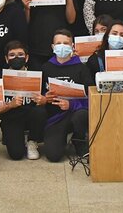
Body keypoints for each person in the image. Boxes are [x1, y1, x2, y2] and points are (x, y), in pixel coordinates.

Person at [39, 29, 94, 162]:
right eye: (58, 43)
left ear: (72, 46)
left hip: (76, 113)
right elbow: (39, 93)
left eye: (66, 43)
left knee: (81, 115)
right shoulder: (46, 68)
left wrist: (71, 104)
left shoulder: (82, 68)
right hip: (55, 118)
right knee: (53, 155)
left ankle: (79, 139)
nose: (62, 46)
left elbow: (92, 97)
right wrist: (44, 98)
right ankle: (62, 137)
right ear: (53, 47)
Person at [0, 40, 48, 160]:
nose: (16, 58)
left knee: (40, 112)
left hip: (31, 115)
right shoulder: (0, 77)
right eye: (12, 55)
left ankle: (32, 141)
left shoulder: (36, 75)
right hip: (11, 117)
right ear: (6, 59)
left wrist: (43, 99)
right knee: (16, 154)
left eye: (20, 54)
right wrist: (10, 105)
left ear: (27, 58)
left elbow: (46, 97)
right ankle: (12, 136)